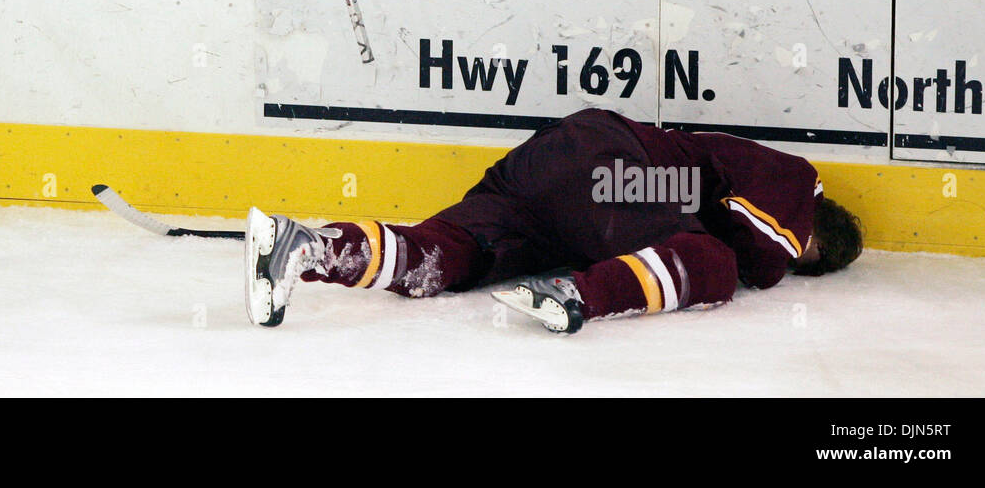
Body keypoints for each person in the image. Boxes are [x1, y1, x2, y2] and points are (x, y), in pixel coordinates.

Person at [245, 108, 863, 333]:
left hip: (553, 178)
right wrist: (781, 256)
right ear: (813, 229)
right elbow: (761, 257)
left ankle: (308, 246)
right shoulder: (793, 181)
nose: (790, 258)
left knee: (450, 256)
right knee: (717, 266)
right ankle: (576, 296)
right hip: (614, 167)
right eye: (804, 251)